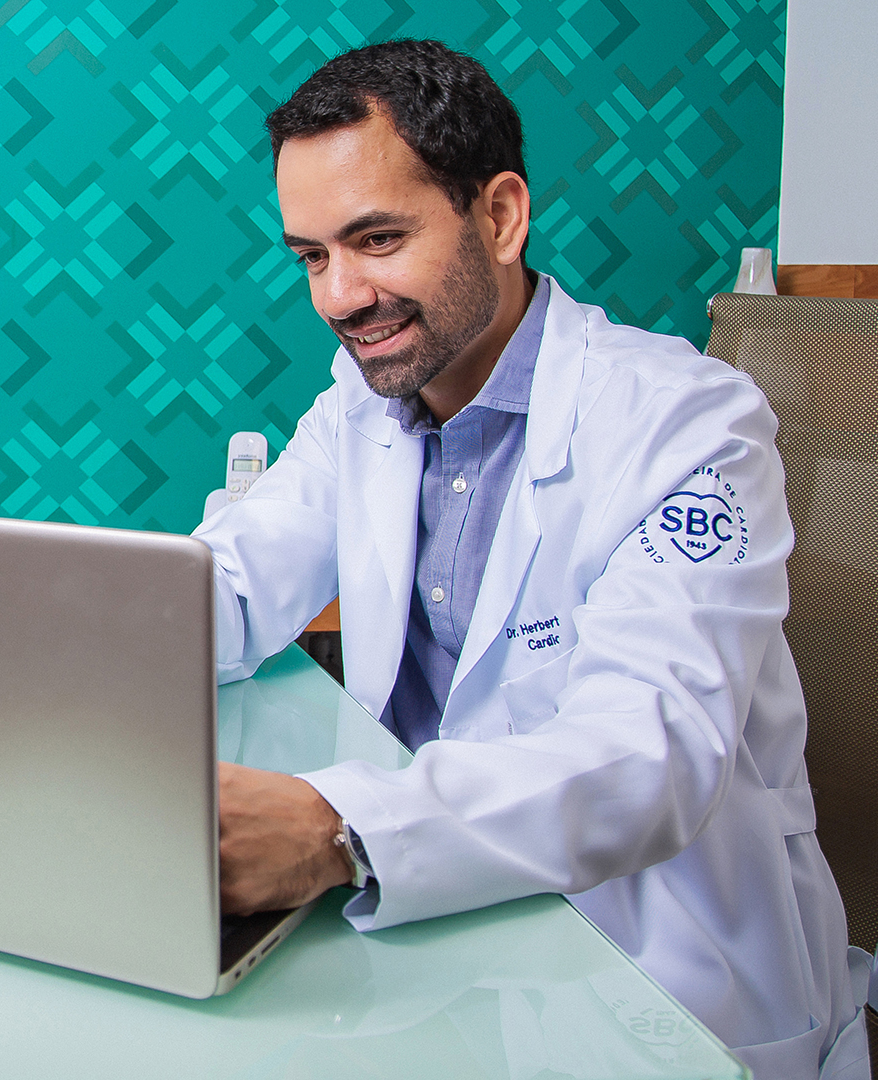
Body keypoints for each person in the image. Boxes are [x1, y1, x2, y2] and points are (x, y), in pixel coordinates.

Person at [194, 41, 867, 1079]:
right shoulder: (362, 401)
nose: (339, 294)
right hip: (431, 930)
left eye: (376, 238)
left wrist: (336, 829)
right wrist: (60, 639)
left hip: (644, 972)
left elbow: (649, 755)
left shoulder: (691, 427)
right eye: (312, 256)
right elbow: (232, 580)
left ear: (499, 216)